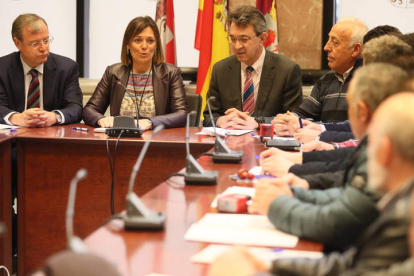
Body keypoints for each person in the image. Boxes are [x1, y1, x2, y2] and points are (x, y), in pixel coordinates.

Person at [208, 93, 414, 276]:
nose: (357, 153)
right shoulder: (400, 196)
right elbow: (349, 266)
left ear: (384, 151)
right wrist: (271, 267)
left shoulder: (405, 212)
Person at [251, 64, 410, 251]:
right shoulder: (376, 144)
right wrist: (299, 191)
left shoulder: (381, 152)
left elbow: (336, 221)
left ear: (362, 110)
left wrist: (276, 205)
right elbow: (349, 195)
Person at [202, 5, 303, 130]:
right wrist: (220, 120)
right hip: (230, 144)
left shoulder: (287, 70)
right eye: (233, 39)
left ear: (262, 38)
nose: (237, 46)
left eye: (244, 39)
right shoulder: (220, 69)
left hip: (269, 144)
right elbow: (208, 117)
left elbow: (294, 118)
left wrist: (258, 122)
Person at [82, 16, 188, 130]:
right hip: (120, 140)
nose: (144, 46)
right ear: (128, 44)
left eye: (150, 41)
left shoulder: (171, 73)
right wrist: (100, 119)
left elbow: (182, 114)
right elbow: (89, 110)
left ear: (156, 45)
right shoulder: (113, 72)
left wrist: (150, 122)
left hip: (155, 141)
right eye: (138, 40)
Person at [273, 17, 368, 137]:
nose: (326, 47)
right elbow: (303, 113)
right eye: (329, 40)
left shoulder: (368, 82)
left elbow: (360, 127)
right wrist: (287, 120)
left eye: (335, 42)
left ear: (356, 49)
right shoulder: (326, 80)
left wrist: (308, 126)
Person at [0, 14, 83, 126]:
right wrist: (16, 118)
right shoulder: (2, 68)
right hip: (13, 139)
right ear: (17, 43)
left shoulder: (67, 68)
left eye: (46, 40)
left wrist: (54, 116)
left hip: (53, 138)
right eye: (35, 44)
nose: (43, 48)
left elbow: (75, 108)